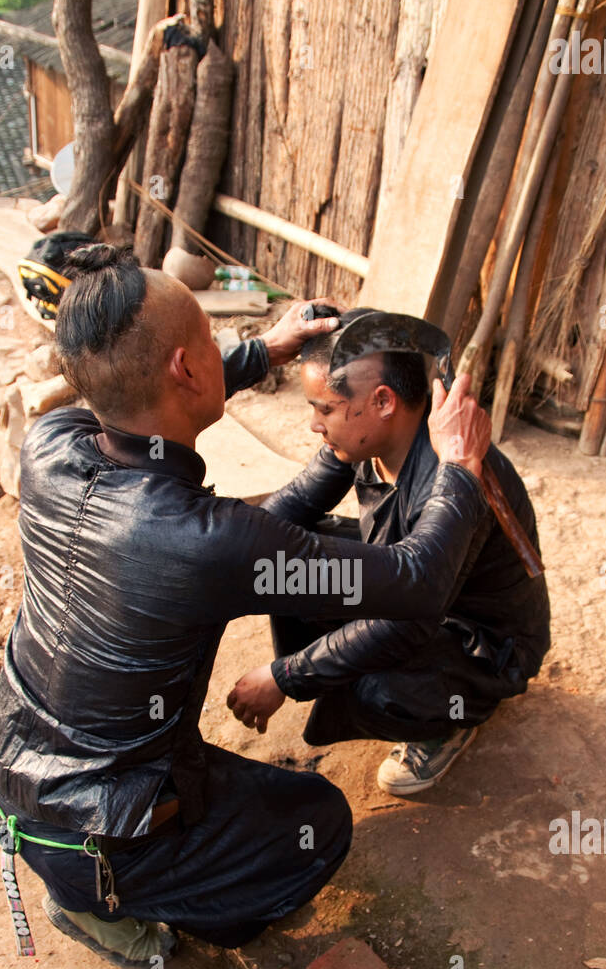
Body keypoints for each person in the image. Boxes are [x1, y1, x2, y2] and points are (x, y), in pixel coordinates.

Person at [0, 251, 493, 969]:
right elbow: (417, 581)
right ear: (185, 369)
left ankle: (96, 877)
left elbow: (142, 404)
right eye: (215, 345)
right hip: (100, 828)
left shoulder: (51, 445)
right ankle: (117, 903)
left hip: (5, 764)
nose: (228, 353)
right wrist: (460, 468)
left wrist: (261, 352)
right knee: (318, 825)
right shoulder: (202, 538)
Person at [227, 306, 550, 798]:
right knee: (291, 560)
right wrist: (222, 558)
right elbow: (281, 520)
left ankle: (450, 720)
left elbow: (409, 616)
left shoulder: (458, 474)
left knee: (378, 689)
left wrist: (286, 676)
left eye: (326, 408)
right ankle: (338, 675)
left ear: (383, 401)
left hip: (479, 640)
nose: (315, 425)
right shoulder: (367, 443)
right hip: (415, 591)